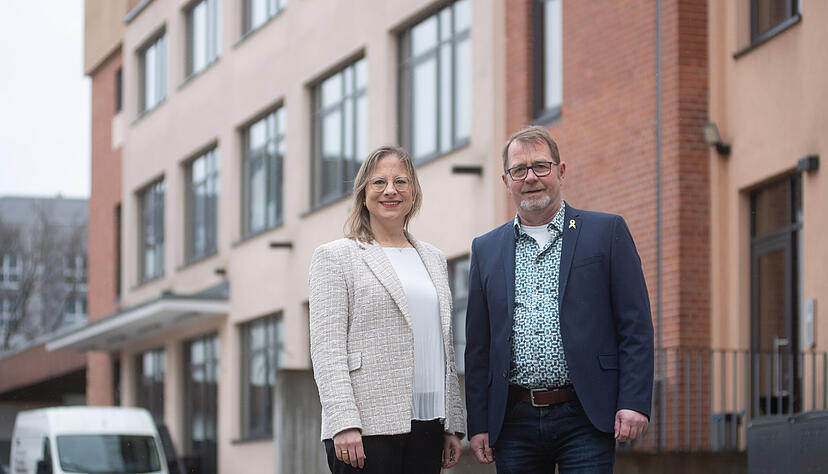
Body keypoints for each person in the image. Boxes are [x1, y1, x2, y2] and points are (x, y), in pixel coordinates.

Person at [464, 125, 654, 473]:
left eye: (541, 166)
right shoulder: (486, 249)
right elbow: (478, 346)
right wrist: (478, 422)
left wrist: (634, 401)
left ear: (561, 171)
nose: (530, 177)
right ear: (506, 180)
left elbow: (635, 326)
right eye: (519, 170)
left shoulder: (606, 233)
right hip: (513, 420)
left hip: (586, 415)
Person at [309, 145, 465, 473]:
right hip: (365, 426)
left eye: (400, 181)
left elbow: (445, 346)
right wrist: (343, 422)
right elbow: (327, 350)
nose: (390, 190)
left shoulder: (434, 259)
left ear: (413, 191)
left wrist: (453, 423)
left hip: (429, 423)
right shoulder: (335, 257)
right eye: (379, 182)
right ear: (363, 194)